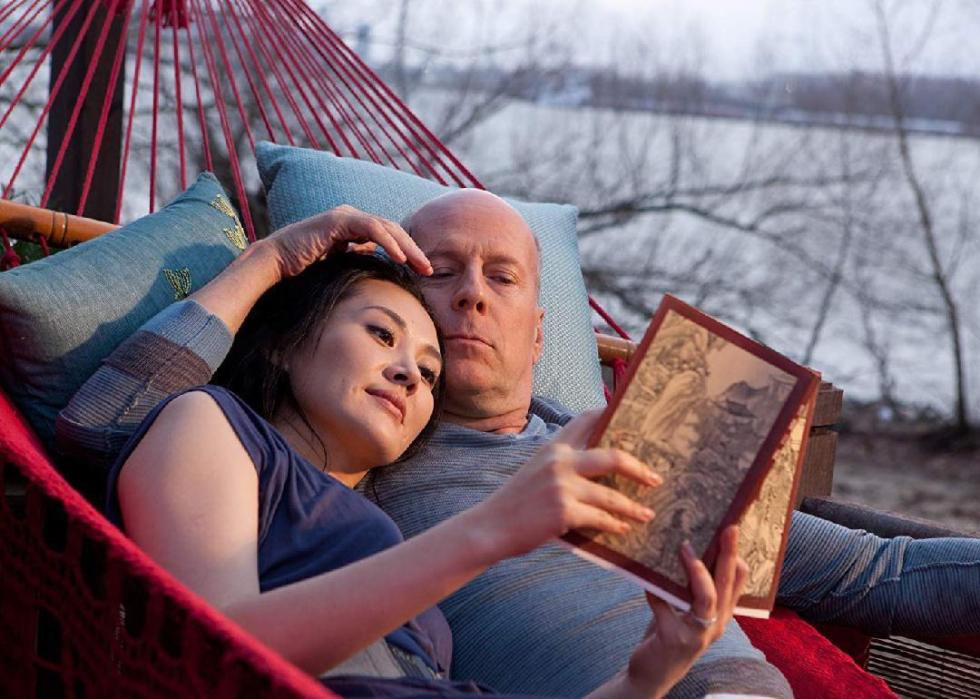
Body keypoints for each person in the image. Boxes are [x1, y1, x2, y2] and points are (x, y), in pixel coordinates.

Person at [59, 194, 980, 697]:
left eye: (501, 276)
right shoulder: (367, 469)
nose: (465, 299)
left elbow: (880, 572)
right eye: (431, 282)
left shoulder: (630, 441)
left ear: (542, 334)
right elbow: (115, 428)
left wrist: (660, 664)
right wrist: (275, 258)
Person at [95, 238, 751, 697]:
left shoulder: (391, 517)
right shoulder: (211, 424)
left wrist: (652, 672)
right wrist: (272, 256)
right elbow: (202, 653)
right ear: (285, 344)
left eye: (431, 373)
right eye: (381, 334)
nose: (411, 371)